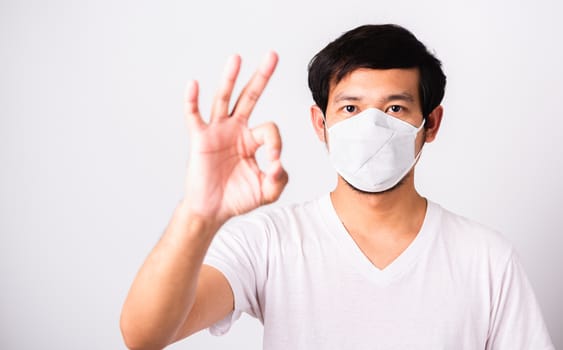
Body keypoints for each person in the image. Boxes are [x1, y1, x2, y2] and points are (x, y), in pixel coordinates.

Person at [120, 24, 554, 349]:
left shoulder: (486, 260)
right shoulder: (271, 242)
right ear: (321, 124)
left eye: (395, 107)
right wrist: (197, 214)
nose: (372, 125)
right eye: (350, 107)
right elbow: (145, 334)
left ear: (431, 124)